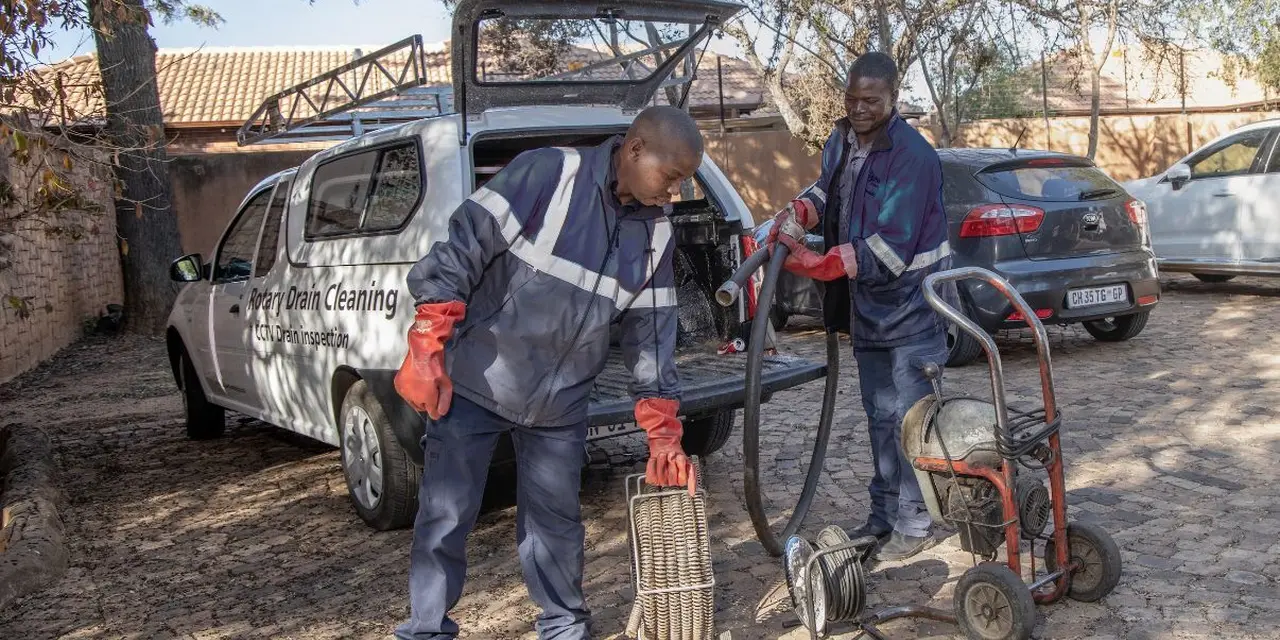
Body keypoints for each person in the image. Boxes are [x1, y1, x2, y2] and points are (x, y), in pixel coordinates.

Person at [392, 105, 703, 639]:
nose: (672, 193)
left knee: (556, 526)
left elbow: (650, 335)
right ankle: (426, 630)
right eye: (670, 177)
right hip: (474, 384)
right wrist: (428, 337)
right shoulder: (548, 173)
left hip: (559, 407)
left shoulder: (656, 234)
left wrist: (663, 432)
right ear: (634, 150)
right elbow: (465, 245)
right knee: (446, 517)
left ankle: (563, 626)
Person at [767, 52, 952, 562]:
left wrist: (814, 263)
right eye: (851, 98)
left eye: (871, 100)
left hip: (913, 310)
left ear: (894, 98)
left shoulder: (912, 157)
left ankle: (915, 523)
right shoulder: (840, 140)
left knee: (912, 421)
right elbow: (830, 192)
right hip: (868, 311)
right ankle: (882, 517)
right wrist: (802, 209)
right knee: (878, 415)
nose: (859, 108)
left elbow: (890, 247)